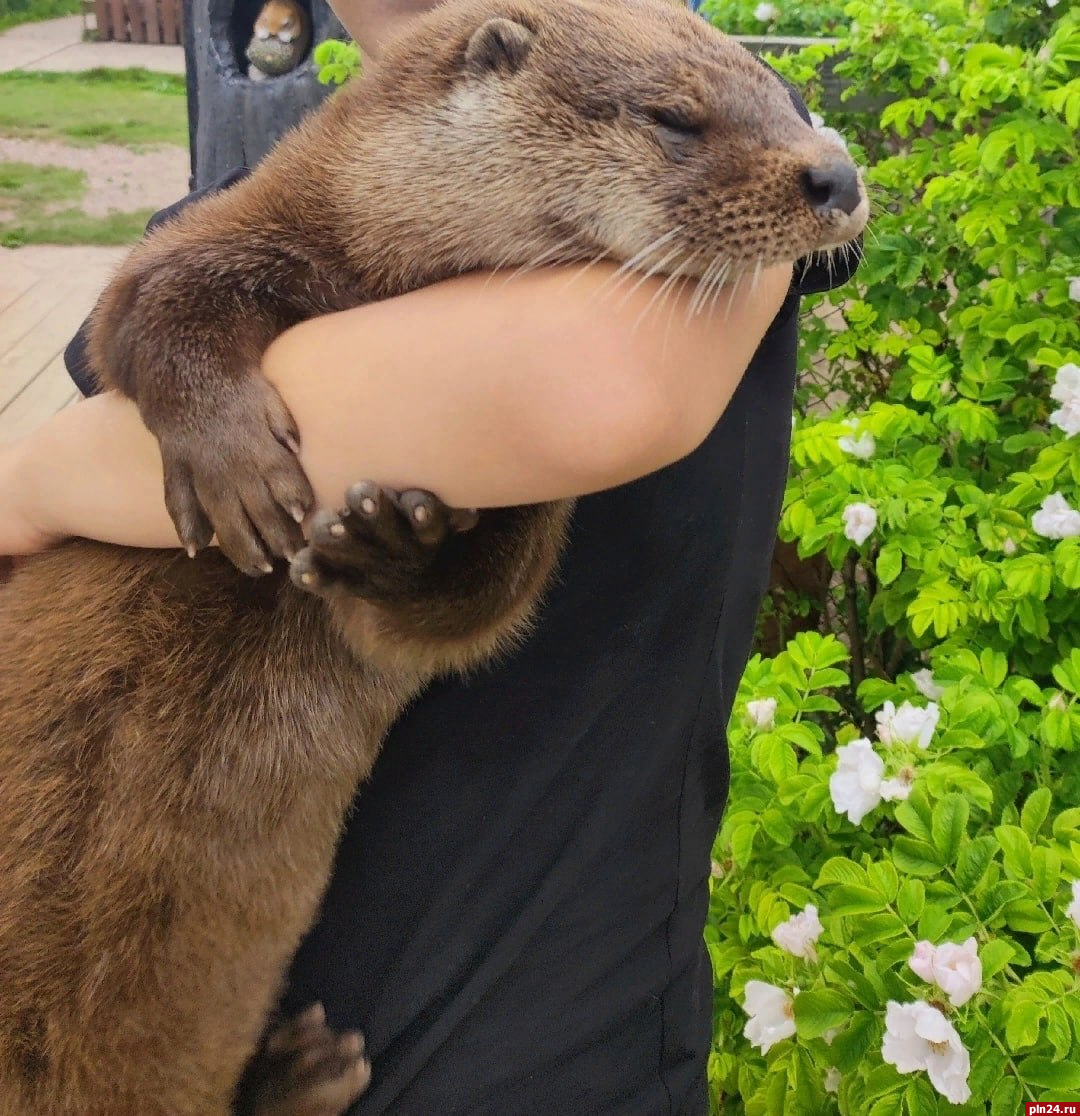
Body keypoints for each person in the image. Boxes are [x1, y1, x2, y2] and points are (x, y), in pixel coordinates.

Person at [0, 0, 860, 1110]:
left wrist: (39, 479)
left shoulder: (709, 141)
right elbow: (161, 311)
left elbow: (566, 433)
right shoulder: (266, 206)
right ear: (483, 79)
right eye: (674, 130)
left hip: (526, 1027)